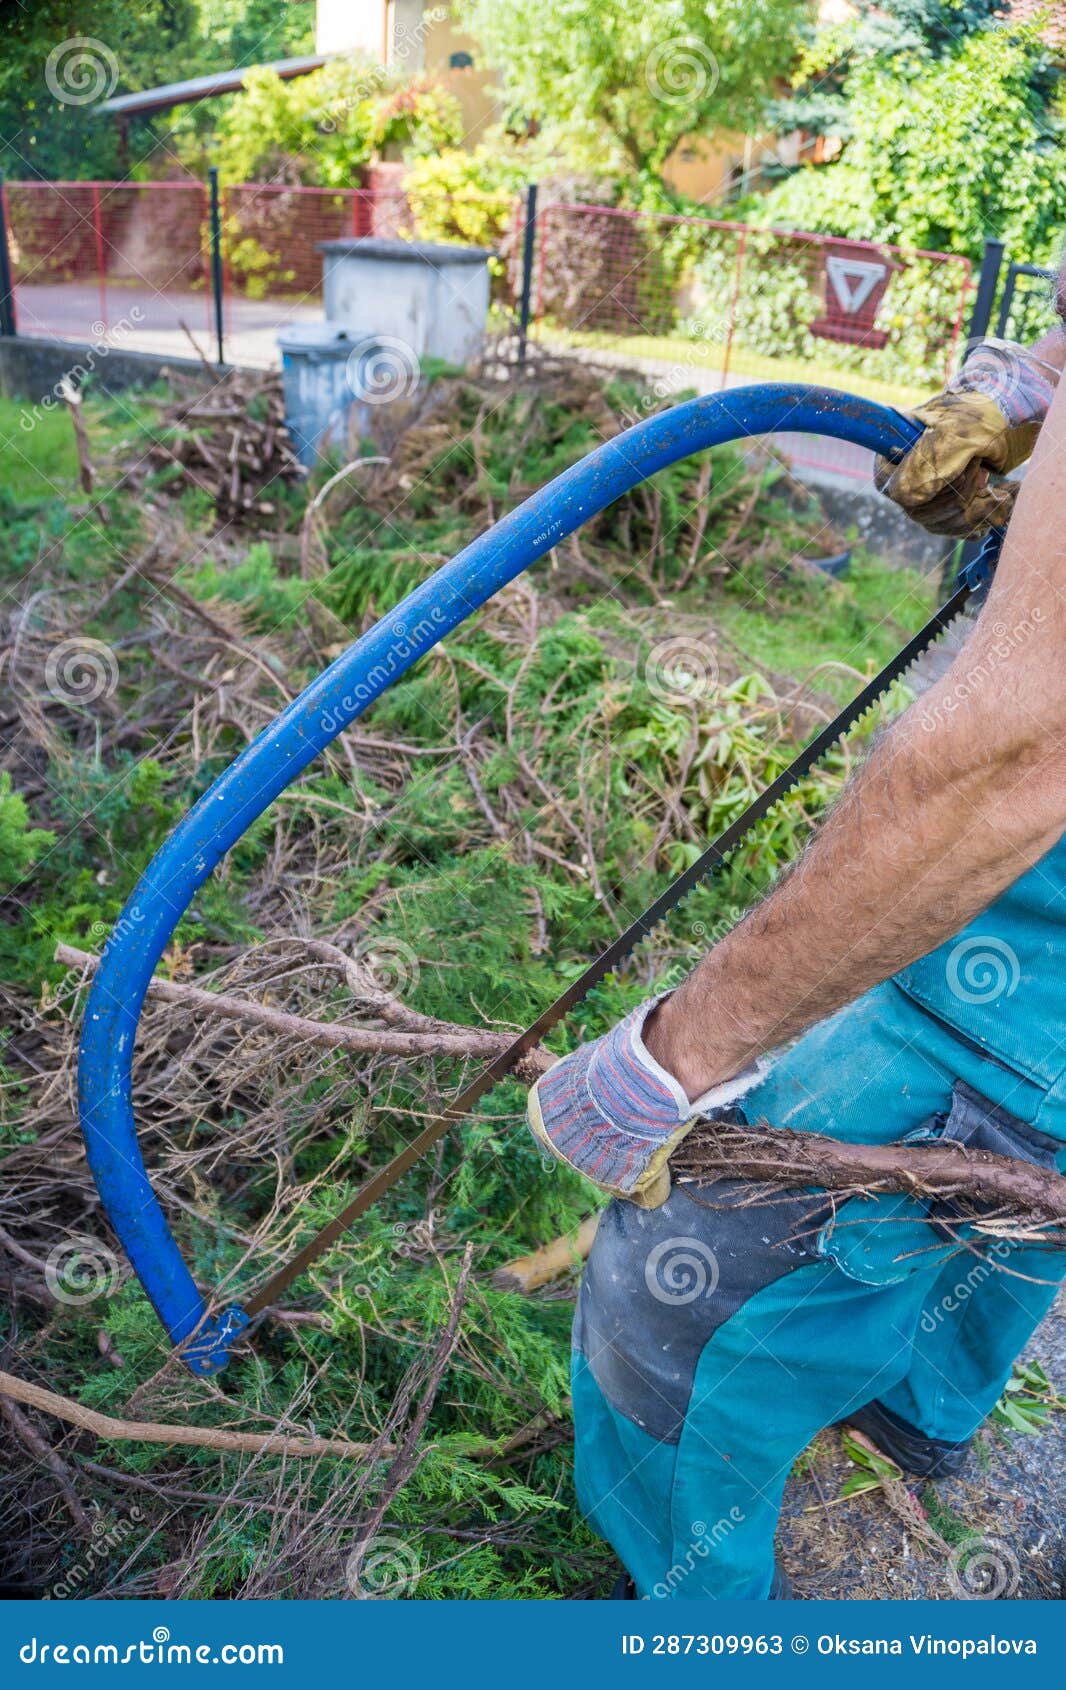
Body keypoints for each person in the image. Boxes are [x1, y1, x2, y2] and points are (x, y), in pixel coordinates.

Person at [526, 319, 1066, 1600]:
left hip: (1014, 996)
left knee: (668, 1298)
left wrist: (672, 1060)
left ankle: (694, 1617)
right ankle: (909, 1401)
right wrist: (1029, 388)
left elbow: (1009, 760)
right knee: (996, 1225)